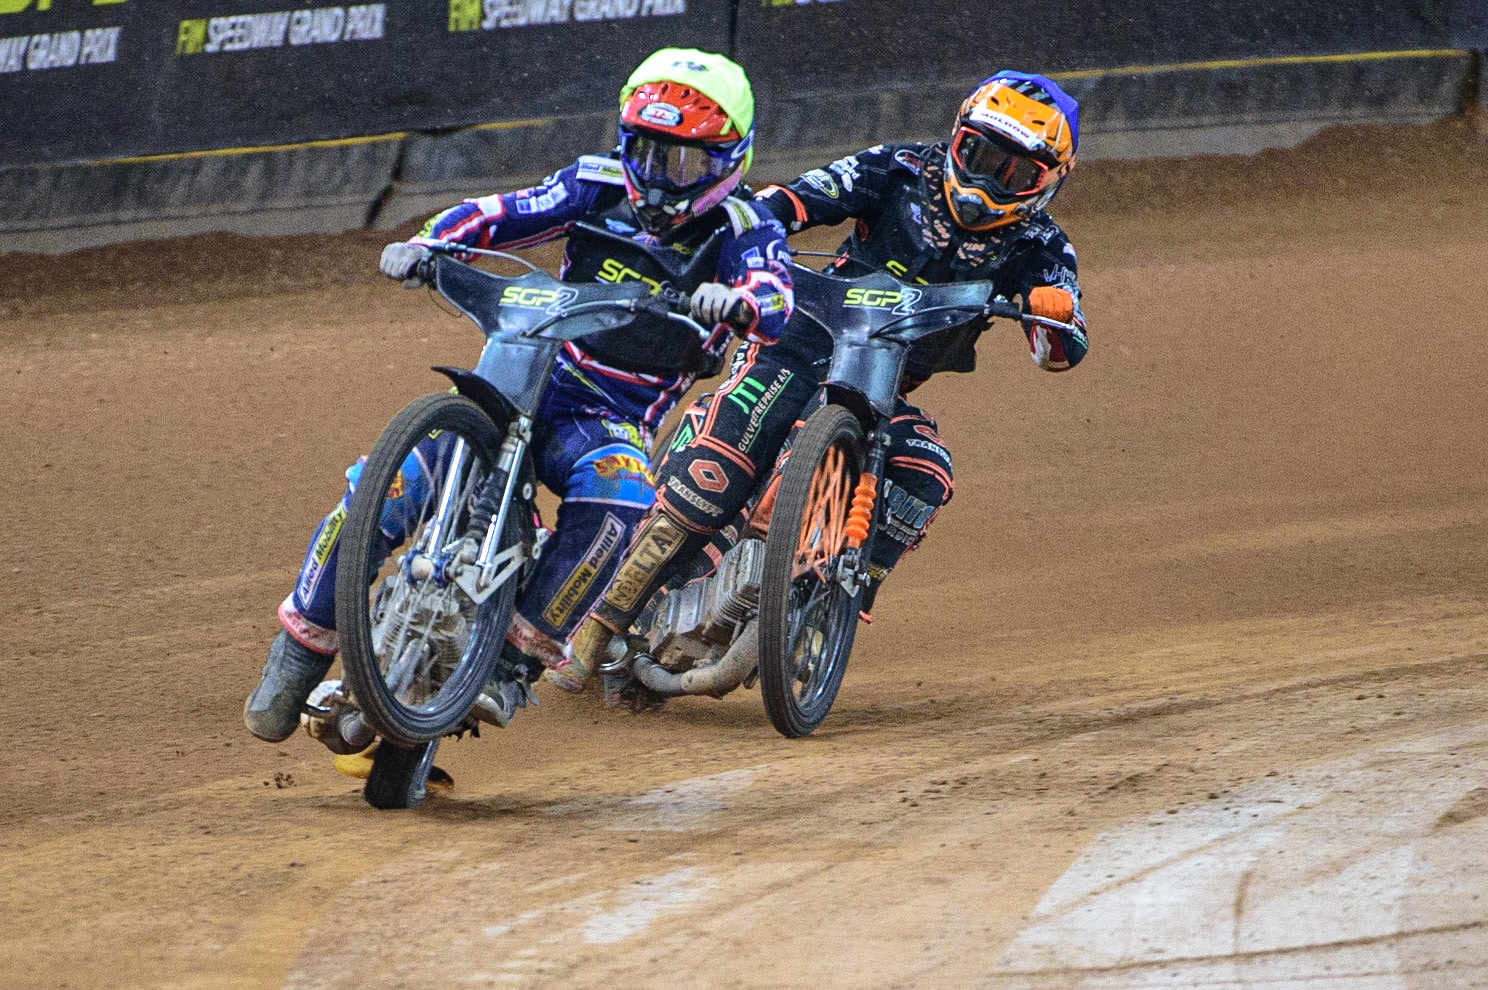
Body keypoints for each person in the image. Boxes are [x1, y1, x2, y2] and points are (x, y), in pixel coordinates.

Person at [243, 47, 794, 744]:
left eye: (681, 161)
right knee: (391, 480)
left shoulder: (746, 229)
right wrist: (429, 242)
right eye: (647, 153)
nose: (658, 178)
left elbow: (775, 295)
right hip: (530, 366)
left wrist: (741, 303)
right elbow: (501, 213)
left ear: (727, 160)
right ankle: (298, 649)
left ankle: (513, 661)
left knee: (619, 504)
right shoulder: (593, 185)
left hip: (608, 415)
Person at [554, 70, 1087, 695]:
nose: (987, 180)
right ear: (956, 139)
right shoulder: (898, 170)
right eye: (979, 154)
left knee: (926, 473)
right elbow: (797, 199)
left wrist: (1052, 313)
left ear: (1049, 181)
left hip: (882, 392)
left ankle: (832, 602)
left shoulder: (1041, 246)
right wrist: (758, 230)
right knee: (714, 473)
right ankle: (593, 629)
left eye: (1015, 172)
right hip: (796, 346)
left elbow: (1061, 350)